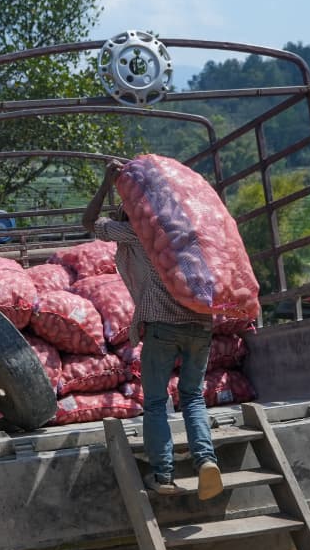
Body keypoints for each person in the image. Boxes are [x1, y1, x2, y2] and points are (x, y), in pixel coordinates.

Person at [82, 159, 223, 500]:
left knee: (157, 401)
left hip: (163, 326)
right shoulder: (186, 228)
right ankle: (205, 460)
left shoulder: (137, 232)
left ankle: (163, 474)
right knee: (191, 396)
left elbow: (89, 224)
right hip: (201, 324)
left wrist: (107, 183)